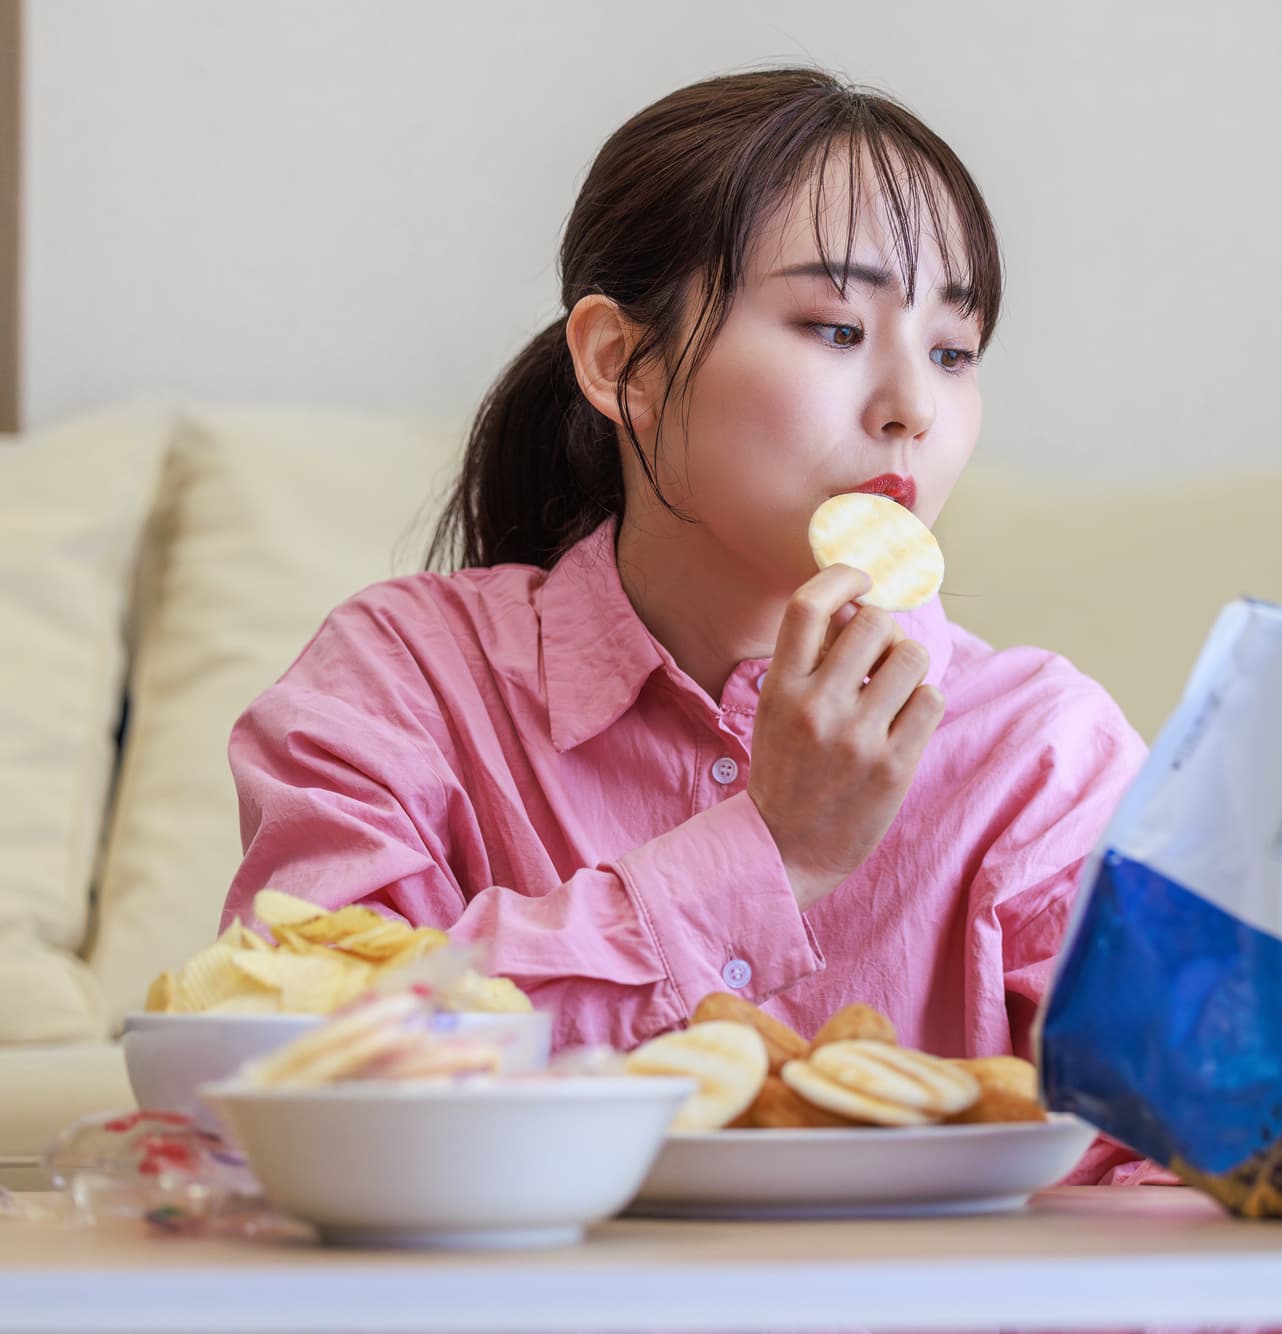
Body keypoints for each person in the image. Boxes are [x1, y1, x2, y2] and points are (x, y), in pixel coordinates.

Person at [216, 66, 1158, 1185]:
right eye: (833, 325)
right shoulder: (402, 679)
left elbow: (1199, 1203)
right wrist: (768, 852)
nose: (913, 404)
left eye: (953, 351)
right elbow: (311, 1077)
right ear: (621, 362)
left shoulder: (1038, 752)